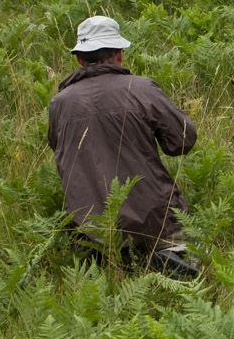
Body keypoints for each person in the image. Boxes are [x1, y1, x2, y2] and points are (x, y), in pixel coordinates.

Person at [48, 15, 199, 277]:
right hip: (153, 219)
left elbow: (57, 149)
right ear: (119, 54)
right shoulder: (141, 89)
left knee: (97, 260)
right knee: (180, 249)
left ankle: (105, 261)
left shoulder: (60, 103)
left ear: (79, 58)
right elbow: (183, 141)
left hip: (89, 225)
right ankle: (167, 256)